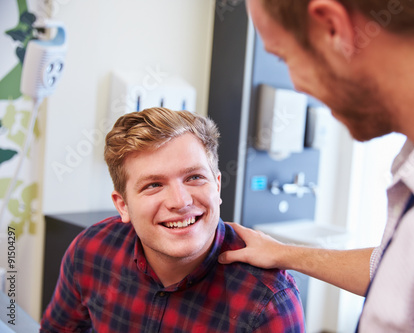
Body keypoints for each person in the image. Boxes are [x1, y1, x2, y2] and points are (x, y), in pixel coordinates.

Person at [218, 0, 414, 331]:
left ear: (332, 28)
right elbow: (399, 270)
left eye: (284, 57)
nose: (297, 85)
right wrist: (283, 254)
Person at [40, 107, 305, 332]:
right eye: (153, 185)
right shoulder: (91, 252)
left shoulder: (268, 301)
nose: (180, 201)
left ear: (217, 186)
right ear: (123, 206)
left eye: (194, 177)